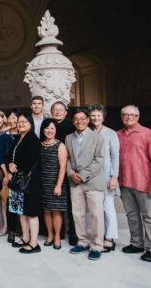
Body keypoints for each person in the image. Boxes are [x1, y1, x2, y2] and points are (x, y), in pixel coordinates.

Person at [117, 105, 151, 263]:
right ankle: (137, 244)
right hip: (124, 182)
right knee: (132, 215)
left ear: (138, 117)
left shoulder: (148, 135)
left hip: (144, 184)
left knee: (148, 217)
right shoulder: (118, 135)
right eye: (125, 115)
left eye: (132, 115)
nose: (128, 117)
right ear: (121, 116)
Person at [66, 109, 106, 261]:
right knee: (78, 214)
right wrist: (70, 173)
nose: (79, 121)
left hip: (93, 181)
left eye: (82, 118)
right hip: (74, 182)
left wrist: (82, 176)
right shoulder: (69, 137)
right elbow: (67, 158)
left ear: (88, 120)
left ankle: (97, 245)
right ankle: (82, 241)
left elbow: (99, 160)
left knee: (96, 215)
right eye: (76, 119)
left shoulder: (98, 138)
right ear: (73, 121)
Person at [8, 113, 42, 254]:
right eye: (19, 122)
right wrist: (11, 164)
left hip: (30, 181)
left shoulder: (32, 139)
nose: (21, 124)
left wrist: (16, 167)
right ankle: (25, 237)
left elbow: (30, 161)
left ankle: (34, 244)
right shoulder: (19, 138)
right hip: (20, 180)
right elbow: (13, 157)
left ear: (30, 124)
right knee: (22, 212)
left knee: (31, 213)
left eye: (24, 122)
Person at [88, 103, 120, 253]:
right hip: (92, 178)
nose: (95, 118)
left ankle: (110, 238)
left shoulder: (111, 133)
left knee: (108, 209)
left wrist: (114, 177)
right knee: (96, 210)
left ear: (103, 117)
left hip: (107, 177)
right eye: (93, 115)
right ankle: (98, 237)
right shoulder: (87, 132)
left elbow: (115, 156)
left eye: (98, 115)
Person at [51, 101, 78, 246]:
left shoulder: (71, 127)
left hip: (68, 168)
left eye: (60, 110)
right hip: (52, 169)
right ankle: (58, 231)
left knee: (70, 202)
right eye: (55, 110)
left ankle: (72, 232)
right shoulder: (49, 125)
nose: (58, 112)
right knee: (55, 201)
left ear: (66, 112)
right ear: (51, 111)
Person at [39, 118, 68, 250]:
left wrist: (58, 185)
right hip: (42, 182)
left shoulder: (60, 145)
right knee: (46, 211)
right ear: (43, 129)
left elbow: (63, 167)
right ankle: (49, 235)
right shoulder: (40, 144)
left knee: (56, 211)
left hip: (56, 182)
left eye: (52, 128)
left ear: (56, 130)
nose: (49, 131)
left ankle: (57, 236)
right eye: (47, 128)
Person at [0, 110, 21, 243]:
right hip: (6, 173)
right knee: (5, 200)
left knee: (20, 200)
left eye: (15, 119)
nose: (13, 121)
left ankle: (19, 227)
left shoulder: (23, 135)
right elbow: (0, 158)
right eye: (11, 119)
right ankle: (6, 226)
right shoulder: (4, 137)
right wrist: (6, 175)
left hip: (21, 174)